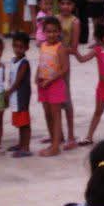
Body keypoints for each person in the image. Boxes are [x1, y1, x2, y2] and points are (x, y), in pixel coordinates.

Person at [35, 17, 70, 157]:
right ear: (43, 32)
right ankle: (55, 140)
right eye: (48, 31)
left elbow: (64, 68)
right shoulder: (43, 45)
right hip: (43, 84)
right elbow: (41, 62)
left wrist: (50, 80)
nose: (51, 34)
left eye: (55, 31)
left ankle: (55, 147)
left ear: (59, 32)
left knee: (56, 115)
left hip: (54, 84)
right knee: (47, 114)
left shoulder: (60, 48)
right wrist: (37, 75)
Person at [5, 32, 32, 158]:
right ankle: (21, 144)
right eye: (15, 46)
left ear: (27, 48)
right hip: (15, 96)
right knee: (20, 122)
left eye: (21, 47)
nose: (18, 49)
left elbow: (18, 81)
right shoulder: (13, 60)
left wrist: (9, 92)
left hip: (21, 97)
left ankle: (26, 147)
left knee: (24, 123)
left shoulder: (24, 63)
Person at [57, 0, 79, 146]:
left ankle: (71, 135)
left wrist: (60, 49)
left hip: (64, 62)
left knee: (66, 99)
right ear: (58, 4)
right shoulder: (55, 18)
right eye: (63, 3)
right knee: (54, 100)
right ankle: (58, 134)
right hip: (52, 62)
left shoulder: (74, 22)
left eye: (69, 3)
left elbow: (74, 48)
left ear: (73, 6)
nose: (65, 6)